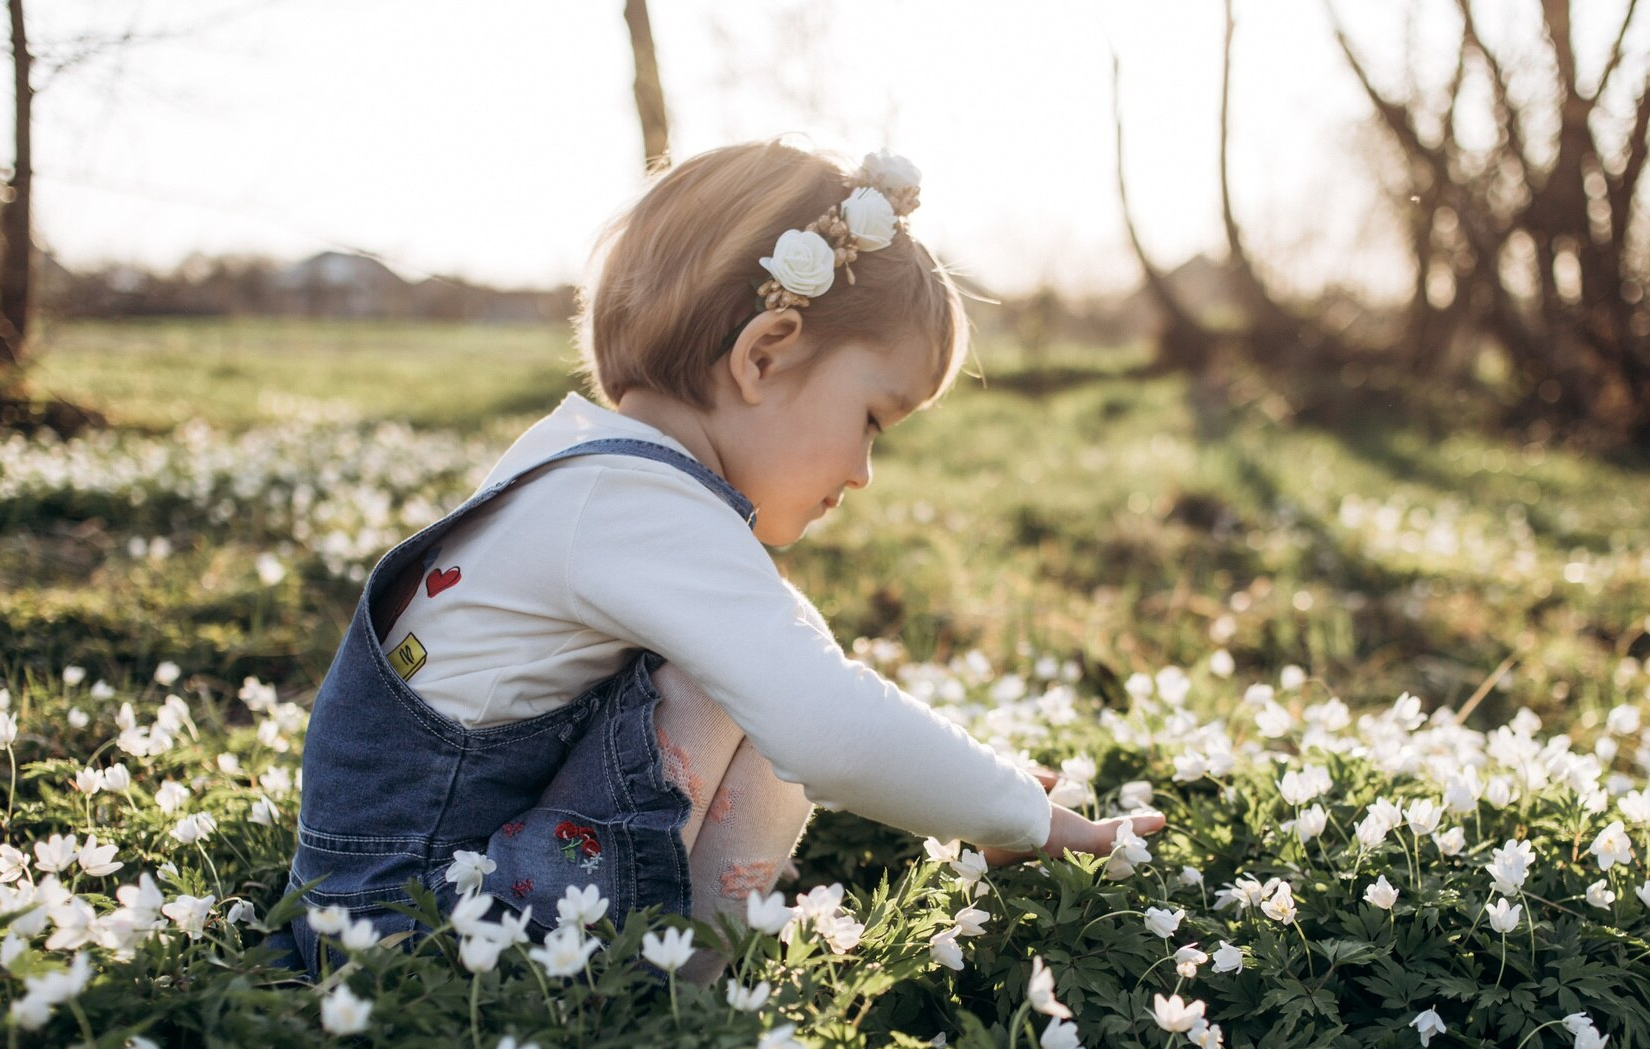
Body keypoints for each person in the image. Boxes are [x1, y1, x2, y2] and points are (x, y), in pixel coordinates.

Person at [273, 139, 1164, 982]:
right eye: (871, 422)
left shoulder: (581, 461)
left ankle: (670, 980)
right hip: (414, 946)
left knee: (763, 655)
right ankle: (675, 998)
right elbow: (824, 721)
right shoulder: (637, 506)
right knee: (756, 682)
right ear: (765, 354)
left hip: (380, 906)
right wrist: (1022, 815)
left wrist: (972, 787)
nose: (860, 473)